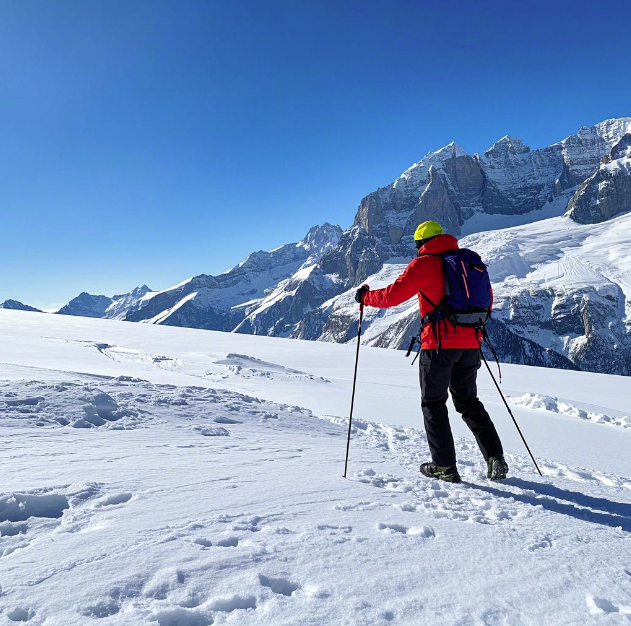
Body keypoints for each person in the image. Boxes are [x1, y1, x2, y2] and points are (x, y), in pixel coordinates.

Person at [355, 221, 508, 483]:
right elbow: (489, 299)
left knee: (433, 404)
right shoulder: (469, 262)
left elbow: (393, 296)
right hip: (471, 344)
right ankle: (495, 458)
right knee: (469, 402)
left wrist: (365, 297)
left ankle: (445, 466)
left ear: (420, 243)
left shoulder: (425, 263)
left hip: (438, 346)